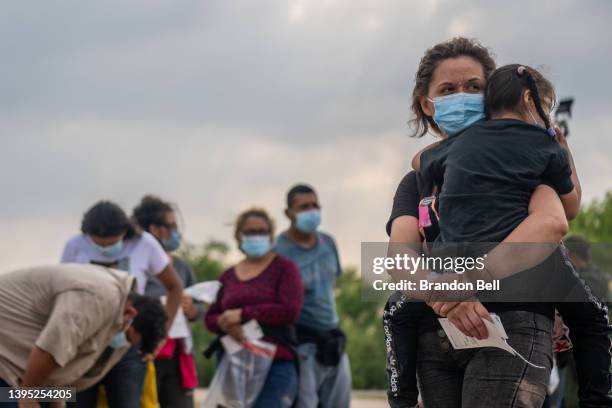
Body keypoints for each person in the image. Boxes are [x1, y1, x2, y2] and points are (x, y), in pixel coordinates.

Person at [384, 37, 611, 408]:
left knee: (590, 314)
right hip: (435, 337)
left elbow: (556, 219)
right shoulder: (418, 179)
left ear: (491, 96)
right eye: (448, 89)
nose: (463, 96)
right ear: (427, 104)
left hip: (512, 325)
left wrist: (468, 281)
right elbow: (399, 257)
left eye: (474, 87)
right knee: (397, 308)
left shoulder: (523, 167)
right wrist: (444, 294)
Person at [60, 200, 183, 408]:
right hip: (83, 346)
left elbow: (175, 286)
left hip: (126, 348)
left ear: (125, 231)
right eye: (99, 244)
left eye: (112, 242)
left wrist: (161, 334)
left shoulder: (145, 244)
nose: (106, 249)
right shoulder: (75, 246)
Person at [0, 264, 167, 408]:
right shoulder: (95, 297)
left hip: (28, 371)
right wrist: (28, 398)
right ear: (130, 313)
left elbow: (69, 363)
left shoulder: (116, 314)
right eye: (128, 336)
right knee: (11, 399)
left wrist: (55, 400)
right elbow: (51, 347)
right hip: (7, 357)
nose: (125, 341)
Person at [205, 208, 304, 408]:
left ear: (270, 235)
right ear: (239, 236)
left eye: (262, 231)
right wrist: (225, 323)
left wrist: (243, 314)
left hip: (275, 363)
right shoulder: (227, 276)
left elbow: (290, 311)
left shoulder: (285, 269)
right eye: (250, 232)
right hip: (234, 363)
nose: (257, 236)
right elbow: (210, 317)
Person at [274, 184, 352, 408]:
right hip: (302, 342)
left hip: (333, 338)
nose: (311, 211)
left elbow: (331, 283)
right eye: (303, 207)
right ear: (289, 213)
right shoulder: (278, 252)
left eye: (315, 205)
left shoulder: (328, 243)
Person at [134, 195, 203, 408]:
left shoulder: (182, 266)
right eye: (171, 226)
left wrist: (190, 309)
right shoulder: (137, 265)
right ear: (155, 230)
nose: (177, 232)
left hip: (177, 355)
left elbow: (199, 309)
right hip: (144, 352)